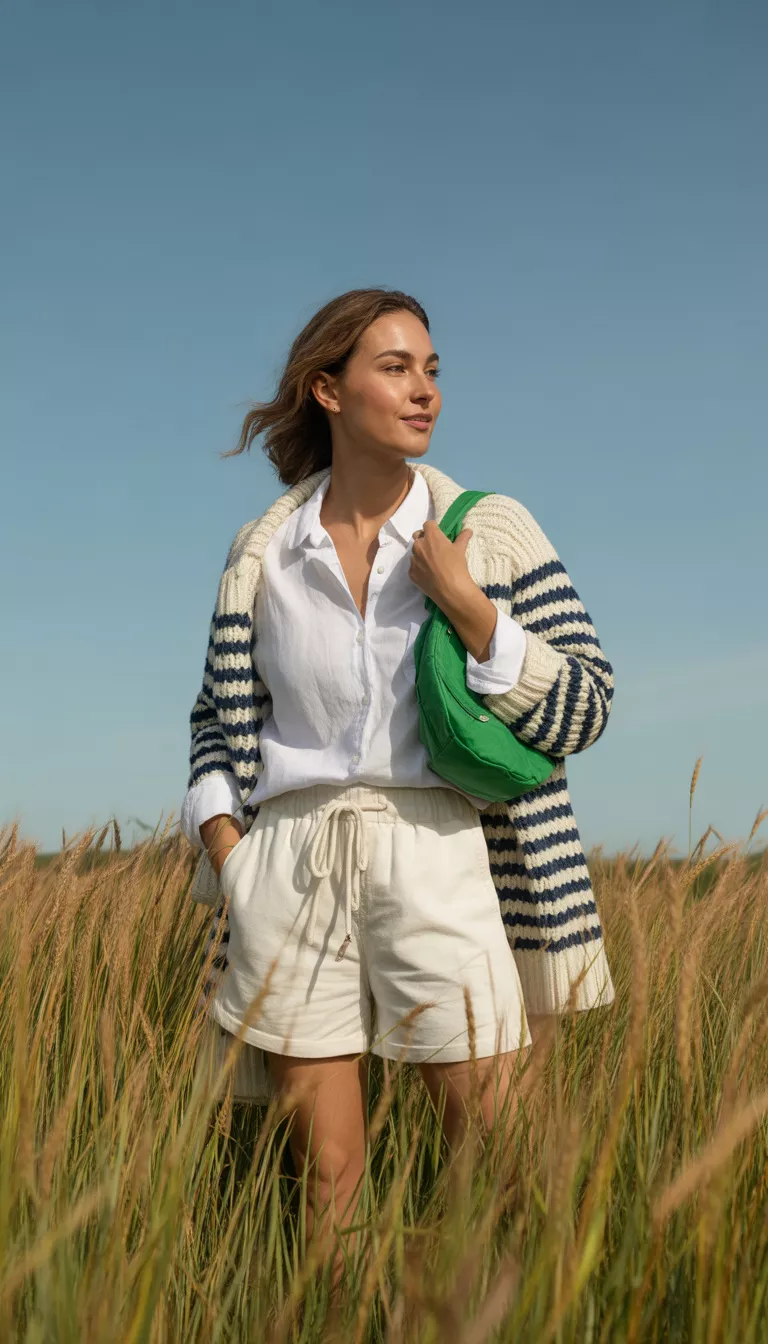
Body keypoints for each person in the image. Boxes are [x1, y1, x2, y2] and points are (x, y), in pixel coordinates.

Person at [182, 287, 615, 1272]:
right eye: (396, 367)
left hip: (439, 850)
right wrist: (231, 853)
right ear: (325, 390)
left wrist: (473, 610)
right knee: (328, 1186)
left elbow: (587, 701)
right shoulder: (263, 550)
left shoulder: (487, 528)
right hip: (286, 860)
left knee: (507, 1153)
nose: (424, 391)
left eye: (431, 371)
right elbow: (220, 721)